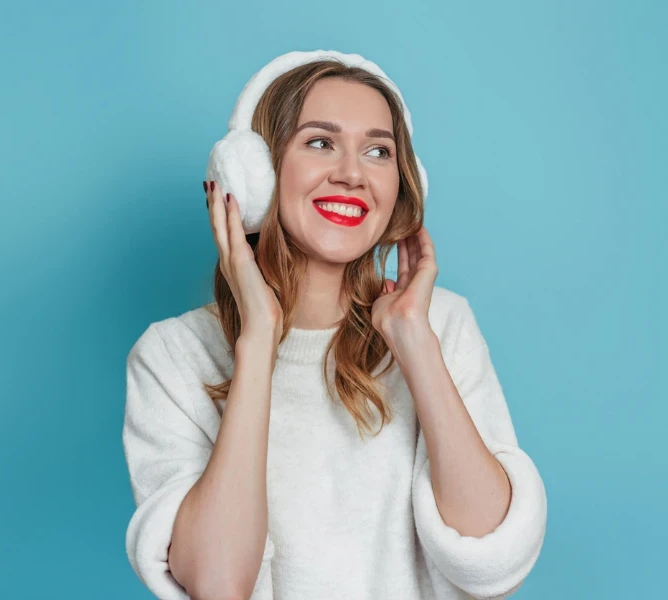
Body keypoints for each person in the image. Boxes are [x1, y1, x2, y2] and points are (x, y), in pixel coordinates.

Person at [122, 50, 547, 600]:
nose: (351, 174)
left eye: (377, 151)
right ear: (256, 174)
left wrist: (414, 342)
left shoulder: (441, 324)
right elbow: (219, 585)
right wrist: (258, 341)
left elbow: (491, 560)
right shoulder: (173, 355)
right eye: (319, 142)